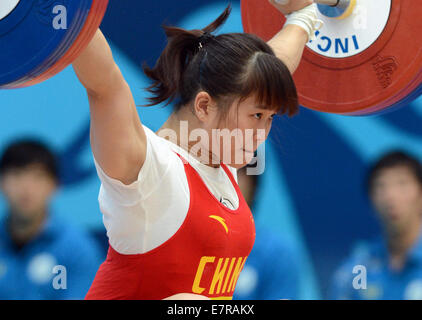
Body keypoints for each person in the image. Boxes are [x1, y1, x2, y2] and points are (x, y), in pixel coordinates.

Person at [72, 0, 321, 300]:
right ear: (204, 105)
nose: (262, 133)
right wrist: (67, 13)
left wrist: (305, 18)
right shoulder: (150, 171)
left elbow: (276, 64)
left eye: (269, 119)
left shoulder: (221, 156)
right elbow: (104, 85)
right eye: (257, 116)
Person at [0, 139, 102, 300]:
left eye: (38, 176)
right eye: (17, 175)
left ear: (54, 185)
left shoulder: (78, 250)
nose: (26, 187)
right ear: (2, 182)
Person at [329, 151, 422, 300]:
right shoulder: (357, 270)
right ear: (371, 200)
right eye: (381, 186)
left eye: (402, 184)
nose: (391, 196)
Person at [233, 165, 300, 300]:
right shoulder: (188, 243)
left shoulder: (277, 253)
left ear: (254, 186)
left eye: (239, 172)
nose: (229, 180)